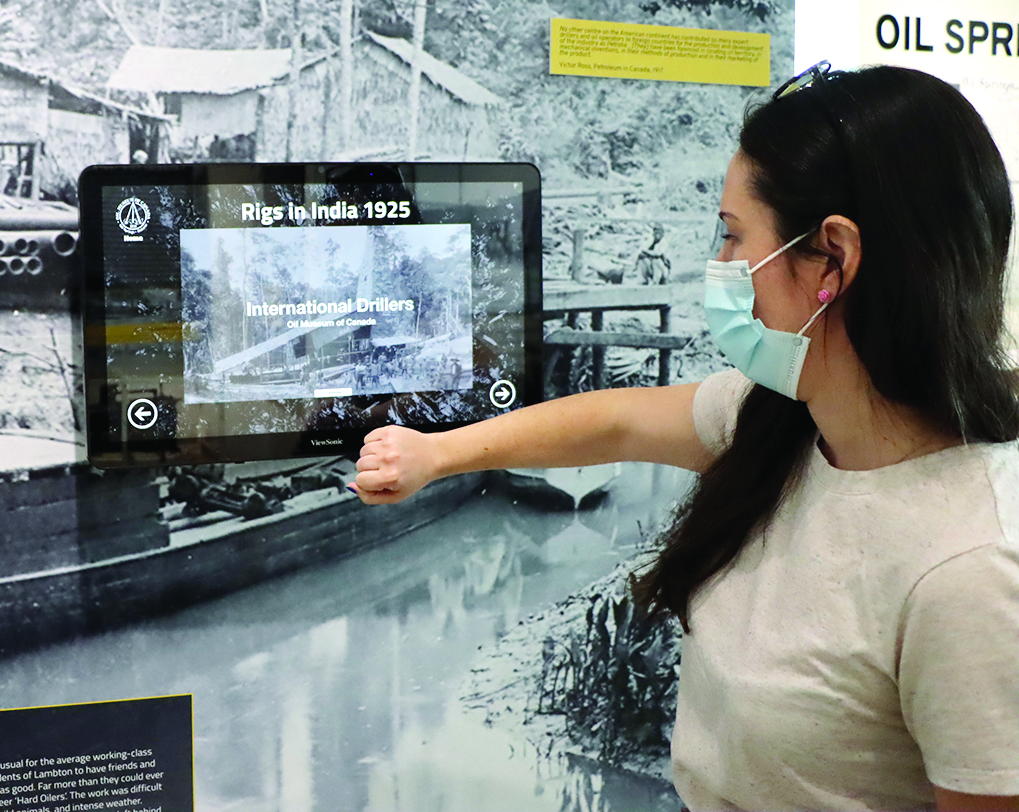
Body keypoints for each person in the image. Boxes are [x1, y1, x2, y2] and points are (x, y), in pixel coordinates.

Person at [351, 64, 1019, 811]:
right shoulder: (784, 422)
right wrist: (437, 454)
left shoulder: (969, 572)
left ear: (833, 258)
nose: (722, 269)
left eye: (735, 239)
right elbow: (618, 419)